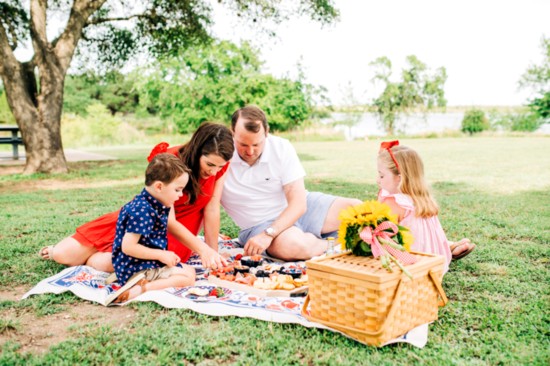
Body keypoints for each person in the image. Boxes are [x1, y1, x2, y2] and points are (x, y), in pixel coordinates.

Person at [39, 122, 233, 270]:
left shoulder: (219, 166)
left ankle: (104, 257)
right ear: (197, 150)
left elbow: (212, 207)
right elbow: (168, 219)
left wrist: (212, 251)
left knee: (104, 263)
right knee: (63, 254)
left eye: (220, 167)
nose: (214, 172)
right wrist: (202, 249)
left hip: (184, 225)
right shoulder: (171, 160)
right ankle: (98, 252)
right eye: (209, 164)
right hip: (151, 216)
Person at [221, 105, 362, 261]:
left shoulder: (281, 147)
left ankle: (322, 240)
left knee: (359, 210)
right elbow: (210, 206)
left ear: (267, 132)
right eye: (243, 144)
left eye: (256, 144)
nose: (250, 151)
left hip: (298, 210)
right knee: (297, 246)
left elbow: (299, 204)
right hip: (258, 224)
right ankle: (341, 242)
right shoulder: (221, 156)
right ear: (232, 132)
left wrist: (269, 233)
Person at [376, 140, 476, 273]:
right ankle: (449, 247)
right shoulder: (422, 197)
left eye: (381, 175)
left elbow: (377, 234)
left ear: (399, 178)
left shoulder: (395, 202)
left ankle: (451, 246)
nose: (377, 180)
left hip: (415, 267)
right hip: (438, 263)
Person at [111, 153, 196, 303]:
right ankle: (141, 288)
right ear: (159, 186)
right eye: (177, 190)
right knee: (188, 278)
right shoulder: (142, 211)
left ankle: (140, 282)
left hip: (143, 263)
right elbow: (128, 247)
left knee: (190, 270)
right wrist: (161, 255)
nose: (180, 195)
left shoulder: (154, 204)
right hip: (137, 267)